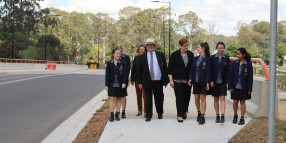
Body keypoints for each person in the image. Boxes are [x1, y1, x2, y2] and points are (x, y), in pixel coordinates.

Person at [137, 38, 169, 122]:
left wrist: (165, 81)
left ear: (154, 46)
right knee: (148, 99)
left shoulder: (160, 55)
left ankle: (160, 113)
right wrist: (139, 82)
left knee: (159, 98)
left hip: (158, 80)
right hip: (147, 81)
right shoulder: (142, 57)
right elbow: (139, 70)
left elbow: (165, 68)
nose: (150, 46)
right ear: (146, 46)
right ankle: (148, 115)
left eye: (151, 45)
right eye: (148, 45)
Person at [168, 38, 194, 123]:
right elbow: (170, 69)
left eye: (187, 45)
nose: (186, 47)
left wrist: (191, 78)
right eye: (184, 45)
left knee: (187, 97)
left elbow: (192, 68)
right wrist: (171, 80)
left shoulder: (191, 54)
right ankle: (179, 115)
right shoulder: (174, 55)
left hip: (188, 81)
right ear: (180, 46)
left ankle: (185, 111)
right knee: (179, 98)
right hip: (177, 80)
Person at [228, 48, 253, 125]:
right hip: (235, 86)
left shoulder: (248, 64)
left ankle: (242, 118)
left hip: (244, 86)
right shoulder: (234, 63)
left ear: (243, 55)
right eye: (237, 54)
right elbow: (230, 75)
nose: (237, 55)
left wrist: (249, 88)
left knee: (242, 102)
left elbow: (250, 77)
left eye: (239, 54)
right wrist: (230, 86)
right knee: (235, 101)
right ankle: (235, 115)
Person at [188, 42, 211, 125]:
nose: (197, 49)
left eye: (198, 47)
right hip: (195, 81)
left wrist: (207, 82)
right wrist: (190, 78)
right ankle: (198, 112)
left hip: (203, 82)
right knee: (196, 99)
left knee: (203, 99)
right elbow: (191, 70)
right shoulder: (195, 58)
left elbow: (209, 72)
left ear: (203, 48)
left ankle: (202, 116)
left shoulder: (208, 59)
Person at [105, 48, 128, 122]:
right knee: (112, 98)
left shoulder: (123, 63)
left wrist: (124, 82)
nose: (118, 55)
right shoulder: (109, 63)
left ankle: (117, 114)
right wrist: (106, 85)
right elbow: (107, 75)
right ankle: (111, 114)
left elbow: (125, 74)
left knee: (119, 98)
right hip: (112, 84)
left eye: (119, 53)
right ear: (113, 54)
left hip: (120, 84)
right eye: (117, 53)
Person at [210, 42, 230, 123]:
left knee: (222, 98)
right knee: (215, 99)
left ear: (224, 49)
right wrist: (211, 80)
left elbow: (228, 71)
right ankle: (217, 115)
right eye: (219, 48)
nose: (220, 49)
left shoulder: (226, 58)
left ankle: (222, 115)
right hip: (214, 82)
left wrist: (227, 81)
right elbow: (210, 70)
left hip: (223, 82)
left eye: (222, 48)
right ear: (217, 48)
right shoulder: (212, 58)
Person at [131, 44, 147, 117]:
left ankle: (146, 111)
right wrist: (132, 79)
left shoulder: (147, 57)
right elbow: (133, 69)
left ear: (145, 51)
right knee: (139, 95)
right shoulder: (136, 58)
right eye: (140, 49)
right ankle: (139, 110)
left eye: (142, 49)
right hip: (137, 79)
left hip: (145, 79)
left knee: (145, 96)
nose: (140, 50)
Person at [116, 46, 130, 119]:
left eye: (121, 51)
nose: (120, 53)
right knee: (116, 96)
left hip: (123, 80)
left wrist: (124, 81)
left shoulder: (126, 58)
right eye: (118, 52)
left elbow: (127, 70)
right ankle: (117, 111)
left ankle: (123, 111)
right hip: (115, 81)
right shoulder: (114, 58)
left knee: (123, 96)